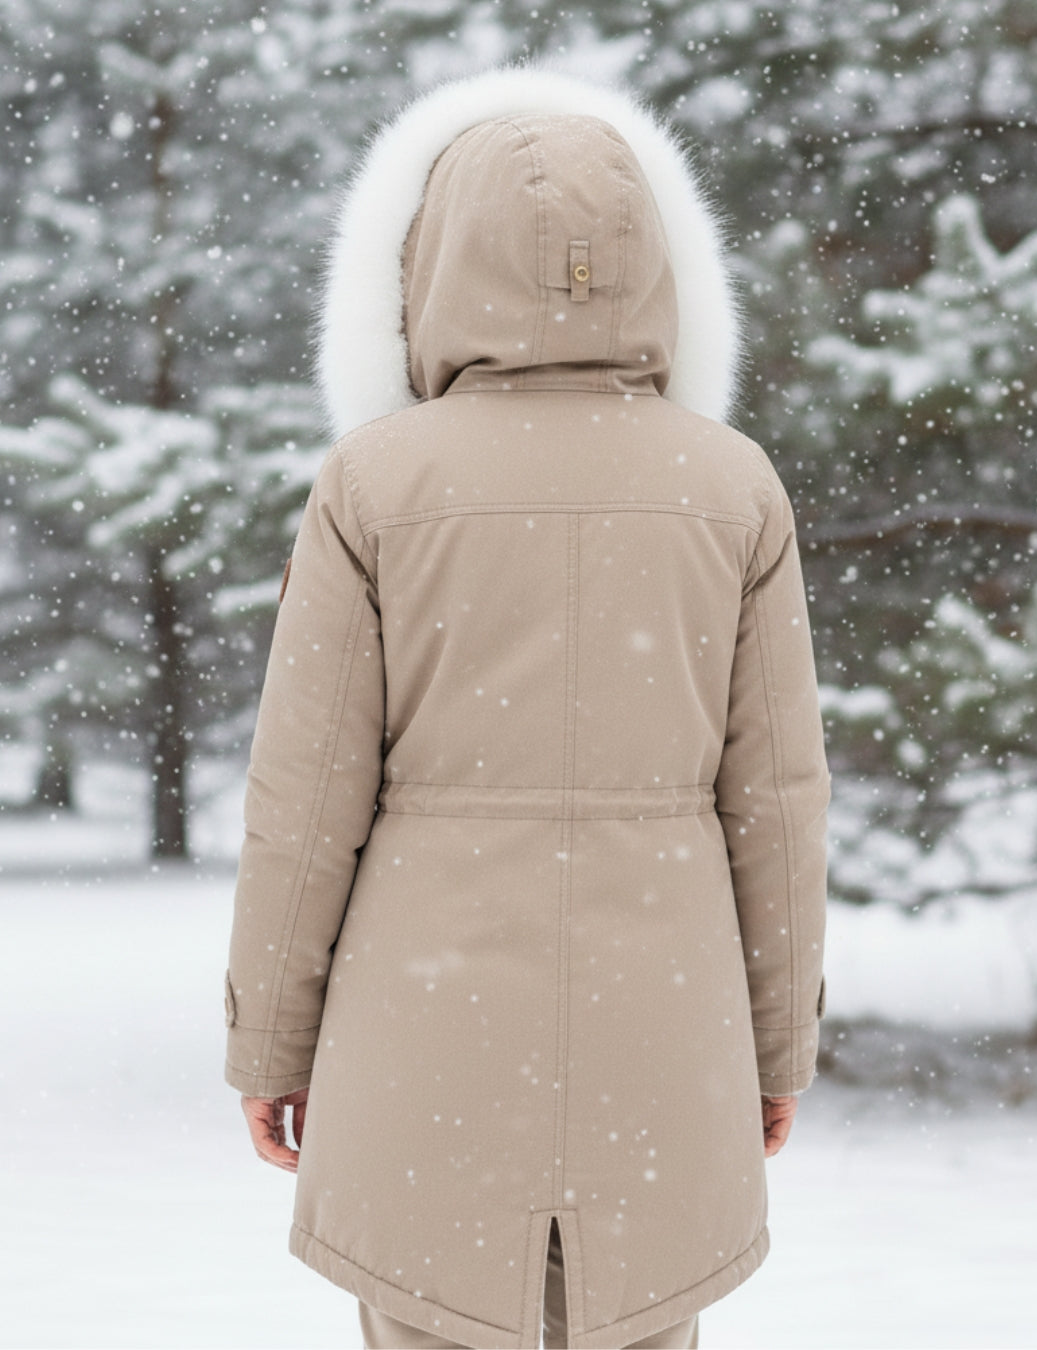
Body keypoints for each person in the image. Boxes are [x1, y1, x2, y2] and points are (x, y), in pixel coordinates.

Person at [223, 66, 830, 1350]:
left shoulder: (375, 483)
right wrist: (777, 1049)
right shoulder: (727, 486)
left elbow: (303, 796)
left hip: (426, 1033)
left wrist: (269, 1038)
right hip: (660, 1032)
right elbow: (776, 803)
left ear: (429, 264)